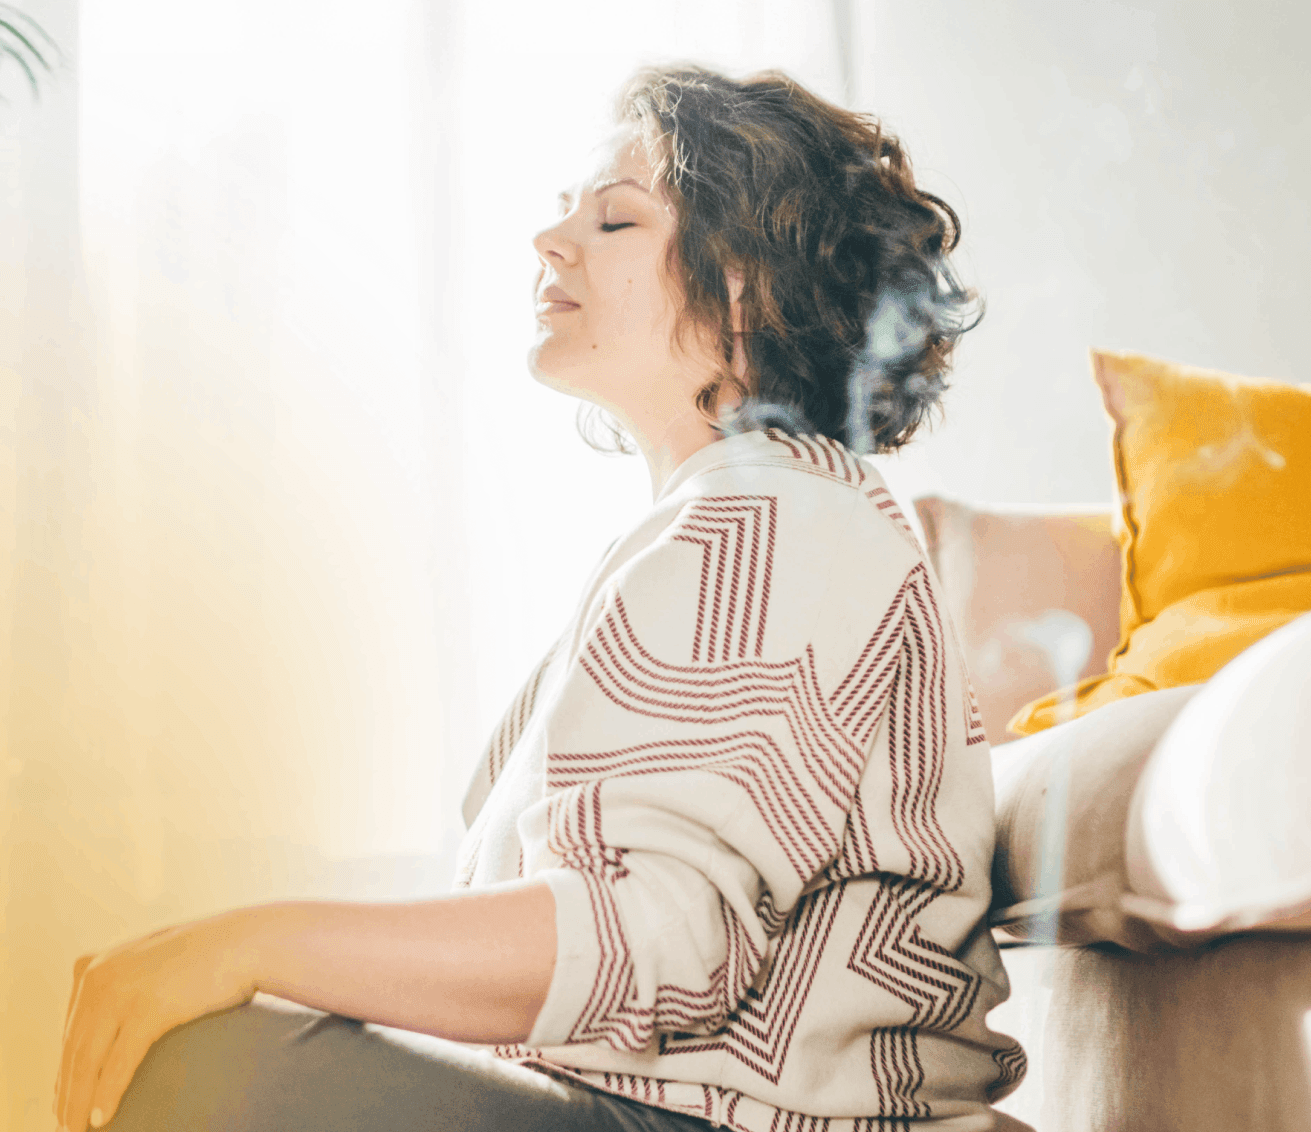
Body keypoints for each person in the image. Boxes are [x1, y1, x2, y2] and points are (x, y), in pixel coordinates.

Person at [54, 64, 1031, 1132]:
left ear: (747, 281)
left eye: (615, 218)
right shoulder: (742, 521)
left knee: (221, 1061)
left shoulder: (775, 518)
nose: (551, 242)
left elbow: (657, 944)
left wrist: (244, 942)